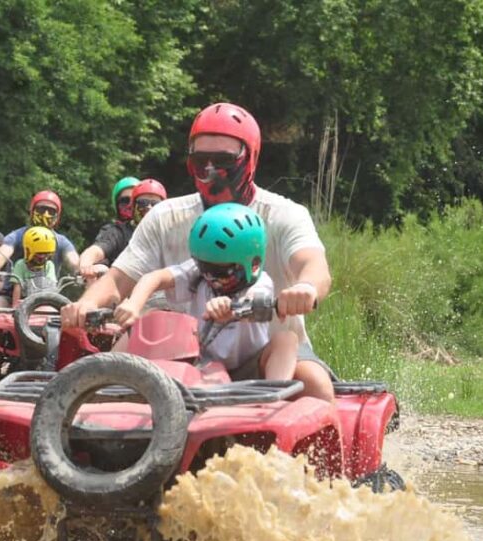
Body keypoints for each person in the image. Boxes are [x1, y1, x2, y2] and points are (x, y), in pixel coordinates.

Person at [62, 102, 335, 402]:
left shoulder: (284, 214)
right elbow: (118, 280)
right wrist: (85, 304)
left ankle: (309, 435)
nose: (210, 170)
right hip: (182, 353)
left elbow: (313, 265)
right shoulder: (165, 216)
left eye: (223, 160)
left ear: (250, 158)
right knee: (106, 374)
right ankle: (89, 436)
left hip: (265, 354)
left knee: (315, 385)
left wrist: (305, 289)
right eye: (201, 159)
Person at [115, 204, 298, 381]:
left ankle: (274, 395)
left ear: (252, 264)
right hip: (203, 365)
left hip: (249, 366)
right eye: (204, 267)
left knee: (287, 339)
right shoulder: (198, 274)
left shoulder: (261, 283)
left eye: (220, 272)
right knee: (146, 323)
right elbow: (154, 278)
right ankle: (106, 381)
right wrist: (134, 304)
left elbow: (254, 300)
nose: (210, 277)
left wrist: (231, 308)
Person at [0, 190, 79, 306]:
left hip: (45, 299)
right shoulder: (17, 236)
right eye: (41, 209)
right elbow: (3, 251)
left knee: (59, 319)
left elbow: (74, 260)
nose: (46, 214)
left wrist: (83, 270)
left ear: (57, 216)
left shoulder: (61, 242)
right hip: (9, 296)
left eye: (51, 211)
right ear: (32, 211)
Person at [78, 177, 167, 279]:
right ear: (133, 206)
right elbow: (96, 250)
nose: (149, 208)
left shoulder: (169, 233)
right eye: (143, 202)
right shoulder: (117, 232)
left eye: (156, 204)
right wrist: (86, 266)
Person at [11, 226, 58, 305]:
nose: (42, 256)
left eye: (46, 253)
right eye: (39, 253)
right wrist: (15, 307)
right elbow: (17, 288)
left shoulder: (49, 265)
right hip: (24, 304)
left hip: (45, 303)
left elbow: (51, 287)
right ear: (28, 250)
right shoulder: (20, 265)